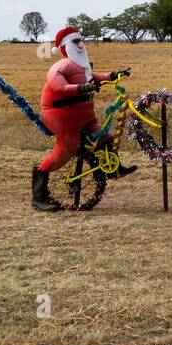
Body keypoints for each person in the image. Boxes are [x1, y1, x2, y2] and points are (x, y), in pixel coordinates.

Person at [32, 26, 135, 211]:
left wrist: (113, 75)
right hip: (63, 118)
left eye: (81, 40)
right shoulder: (60, 66)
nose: (80, 44)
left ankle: (114, 169)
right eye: (75, 41)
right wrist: (82, 88)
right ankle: (38, 197)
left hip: (85, 117)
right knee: (67, 148)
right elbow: (59, 87)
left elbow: (94, 77)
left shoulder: (81, 67)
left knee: (106, 138)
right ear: (64, 47)